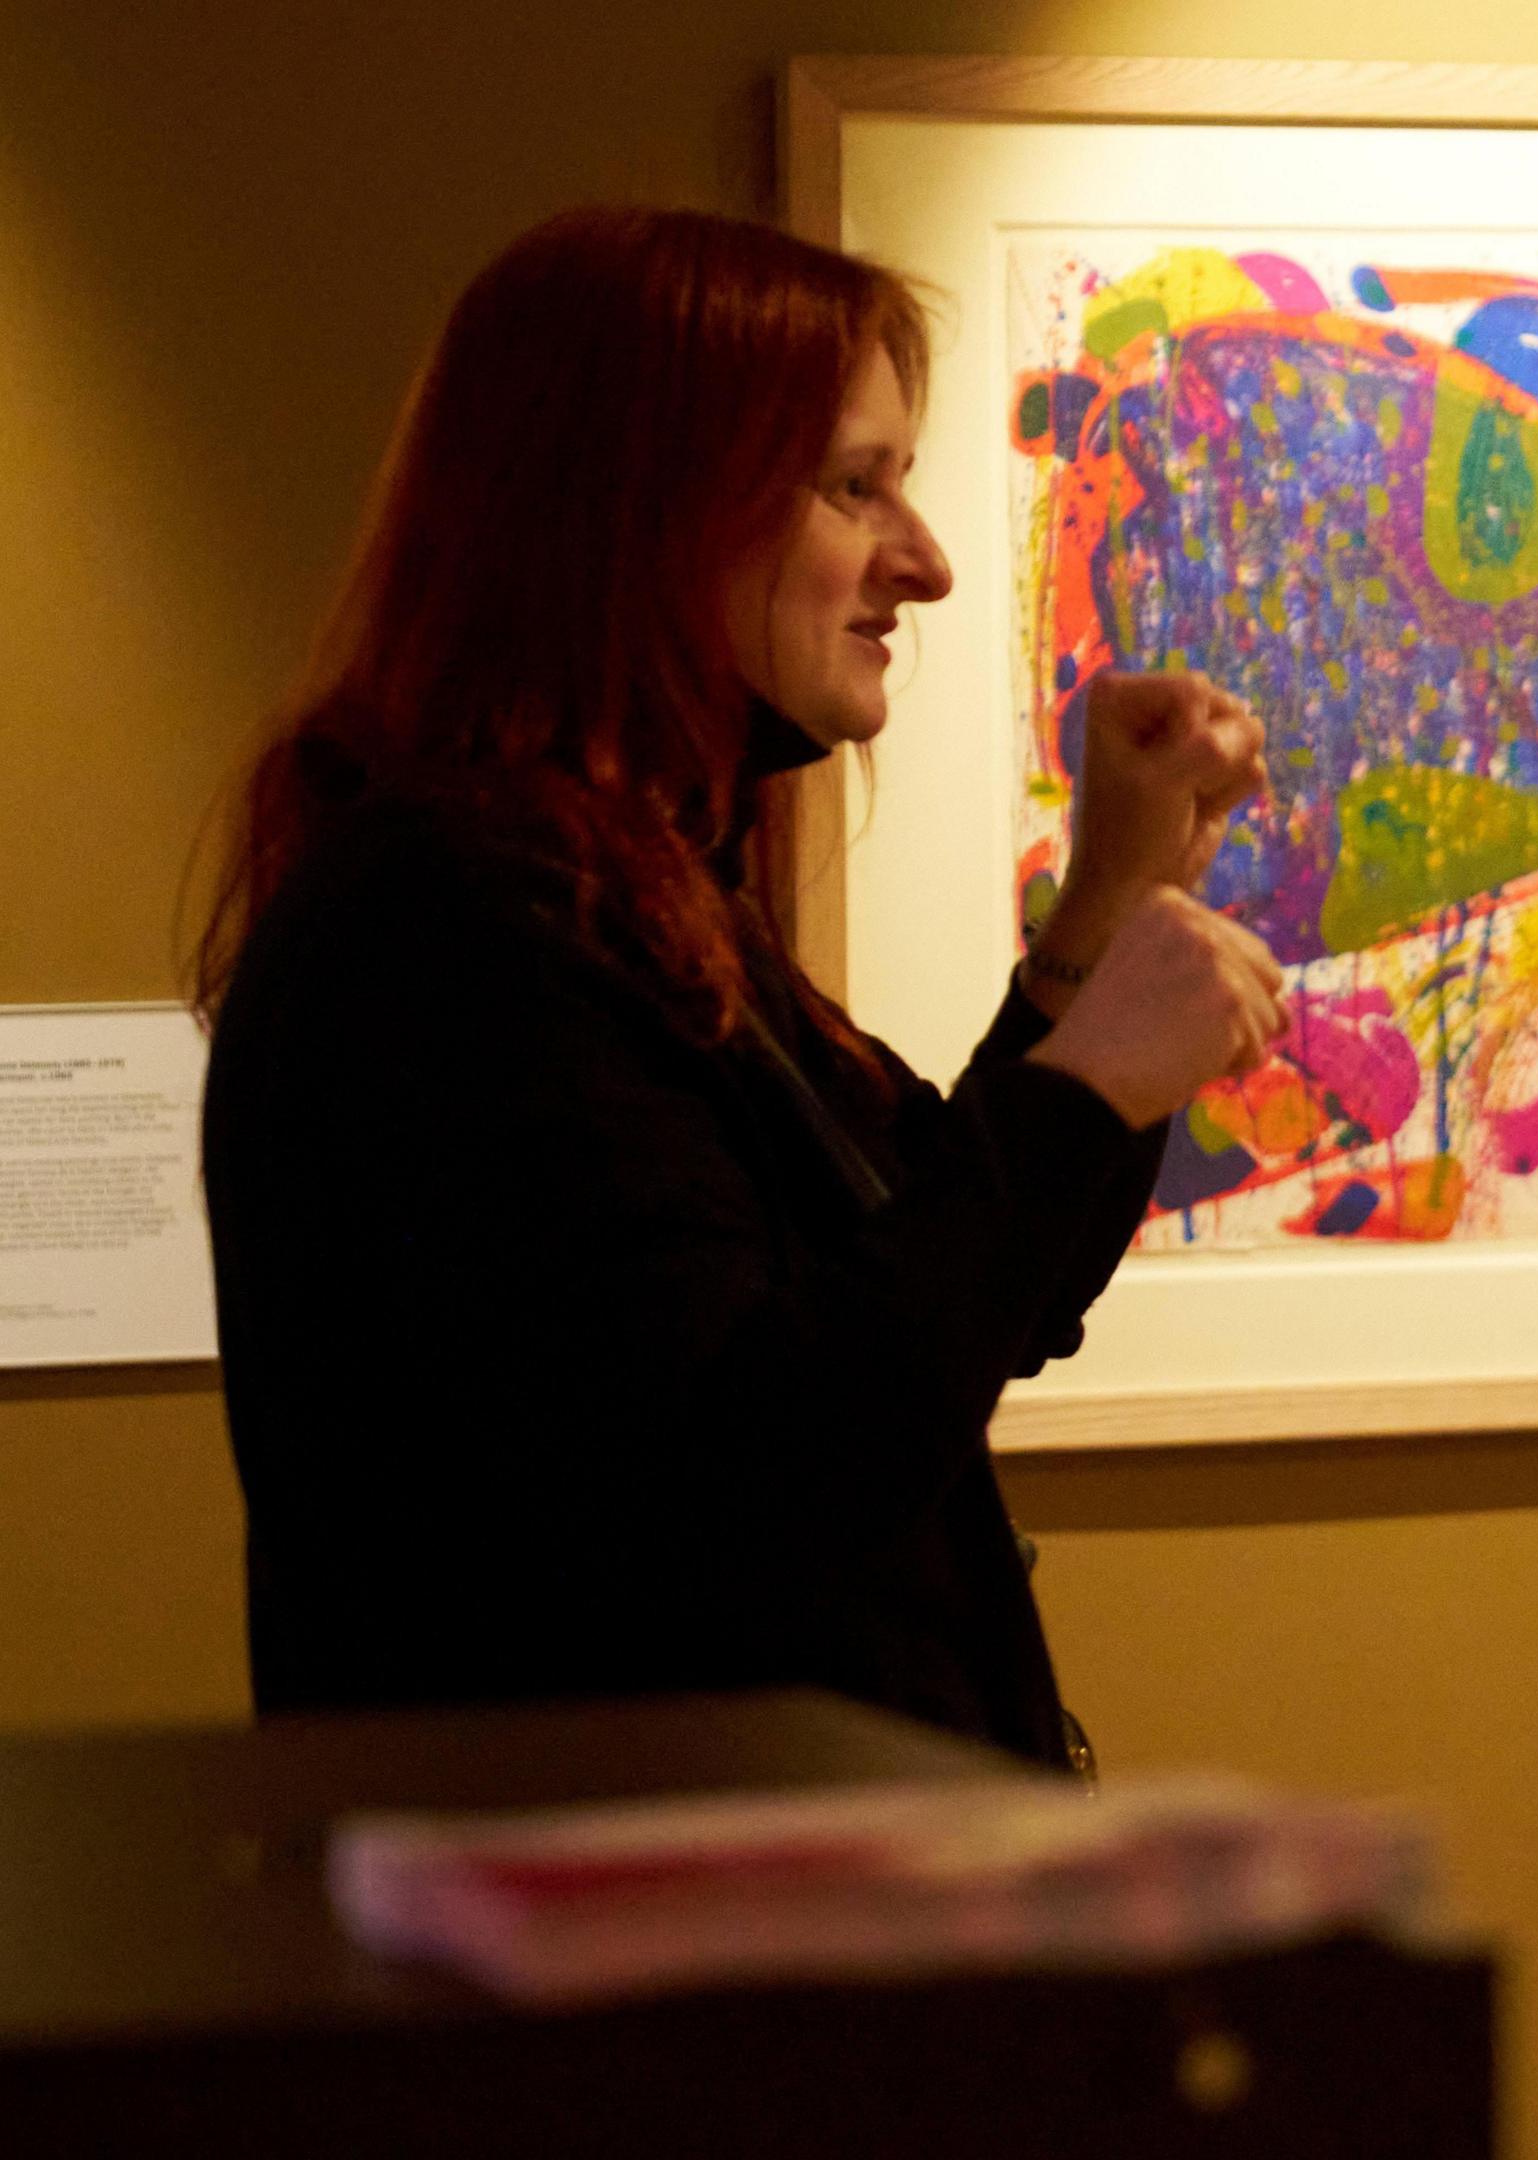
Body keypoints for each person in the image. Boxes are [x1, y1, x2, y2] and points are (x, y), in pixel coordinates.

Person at [194, 207, 1289, 1768]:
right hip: (615, 1960)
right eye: (860, 485)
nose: (926, 563)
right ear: (644, 508)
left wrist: (1109, 908)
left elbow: (968, 1290)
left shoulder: (621, 886)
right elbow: (736, 1481)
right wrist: (1088, 1081)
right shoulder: (462, 927)